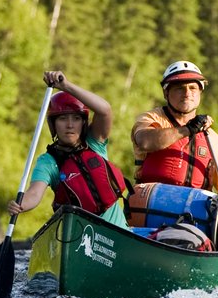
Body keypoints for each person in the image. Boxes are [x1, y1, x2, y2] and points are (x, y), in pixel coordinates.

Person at [131, 60, 218, 259]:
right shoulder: (151, 119)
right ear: (166, 93)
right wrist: (188, 129)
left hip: (195, 225)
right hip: (149, 215)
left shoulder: (213, 140)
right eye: (179, 88)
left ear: (200, 92)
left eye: (193, 88)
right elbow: (145, 141)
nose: (187, 93)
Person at [7, 70, 130, 227]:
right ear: (53, 125)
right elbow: (34, 193)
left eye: (76, 118)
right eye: (63, 118)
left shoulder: (94, 142)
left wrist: (65, 86)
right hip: (78, 236)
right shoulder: (48, 161)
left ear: (83, 123)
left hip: (115, 232)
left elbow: (105, 110)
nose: (70, 125)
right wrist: (20, 205)